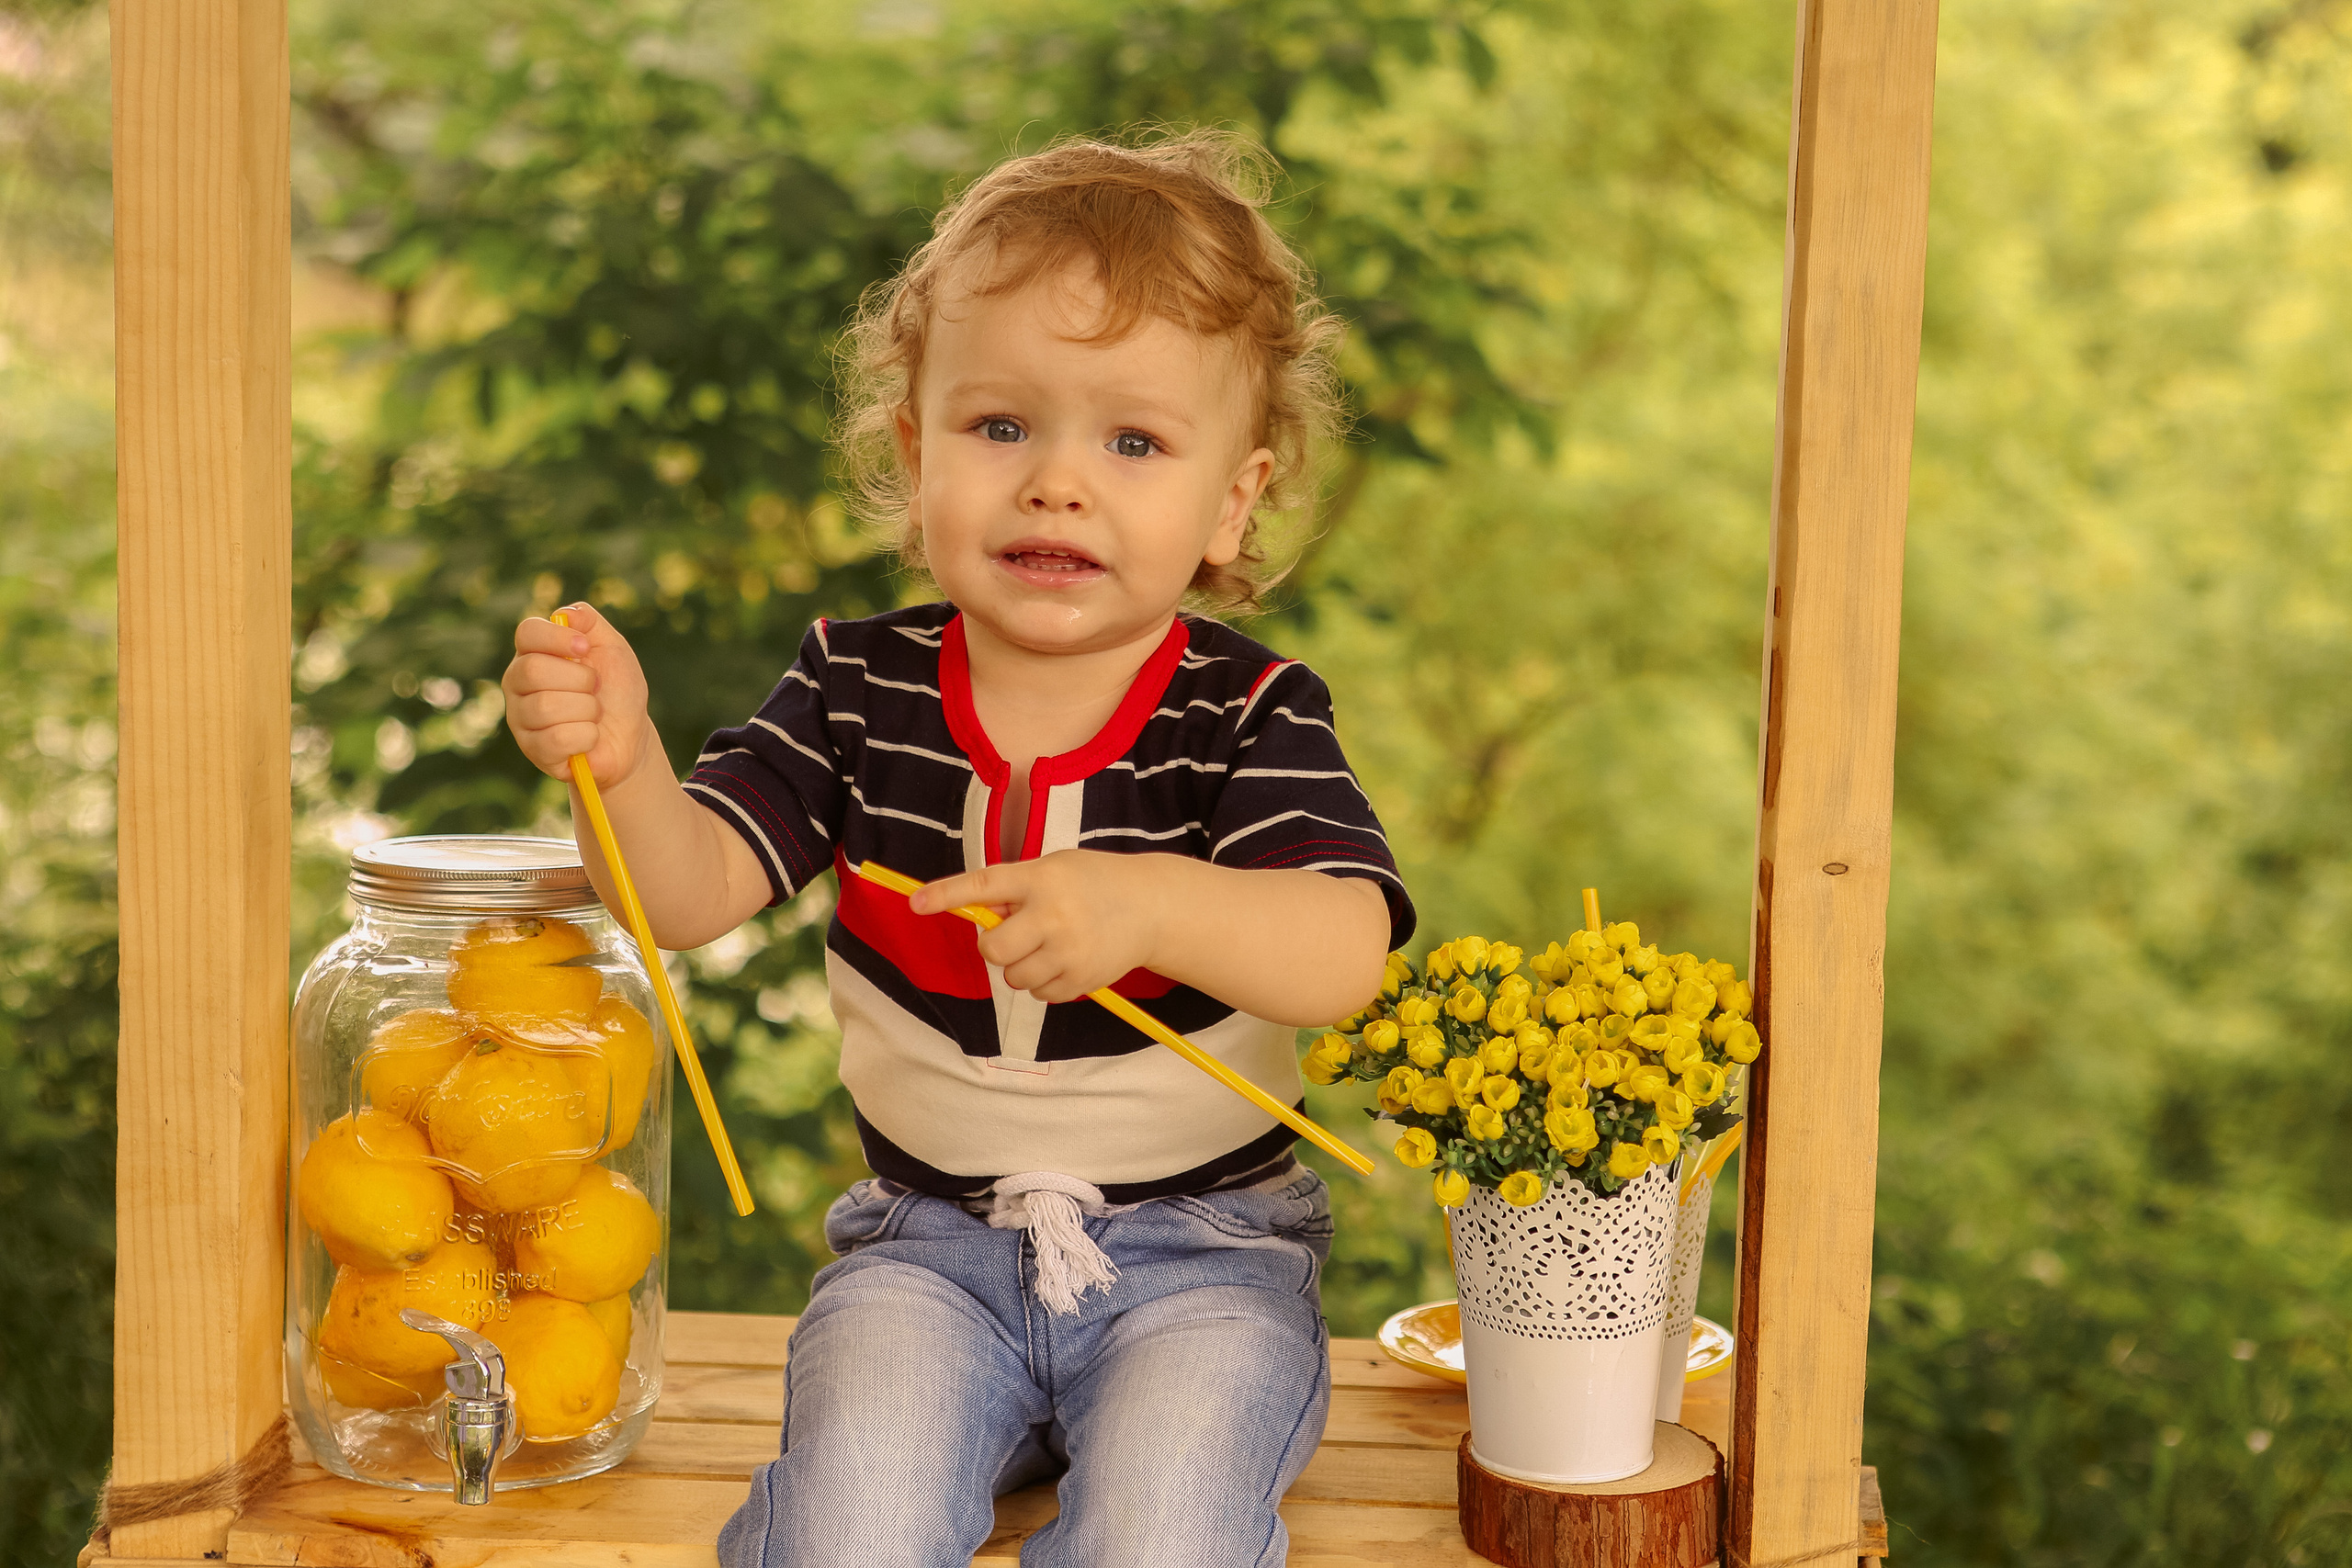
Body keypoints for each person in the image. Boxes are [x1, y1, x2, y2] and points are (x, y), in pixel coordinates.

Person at [502, 130, 1413, 1568]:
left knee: (1163, 1539)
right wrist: (616, 772)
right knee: (849, 1530)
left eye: (1133, 442)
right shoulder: (855, 689)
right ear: (916, 448)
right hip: (930, 1253)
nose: (1059, 483)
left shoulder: (1245, 711)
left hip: (1206, 1265)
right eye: (1002, 428)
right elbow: (683, 896)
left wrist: (1149, 905)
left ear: (1230, 500)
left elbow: (1343, 949)